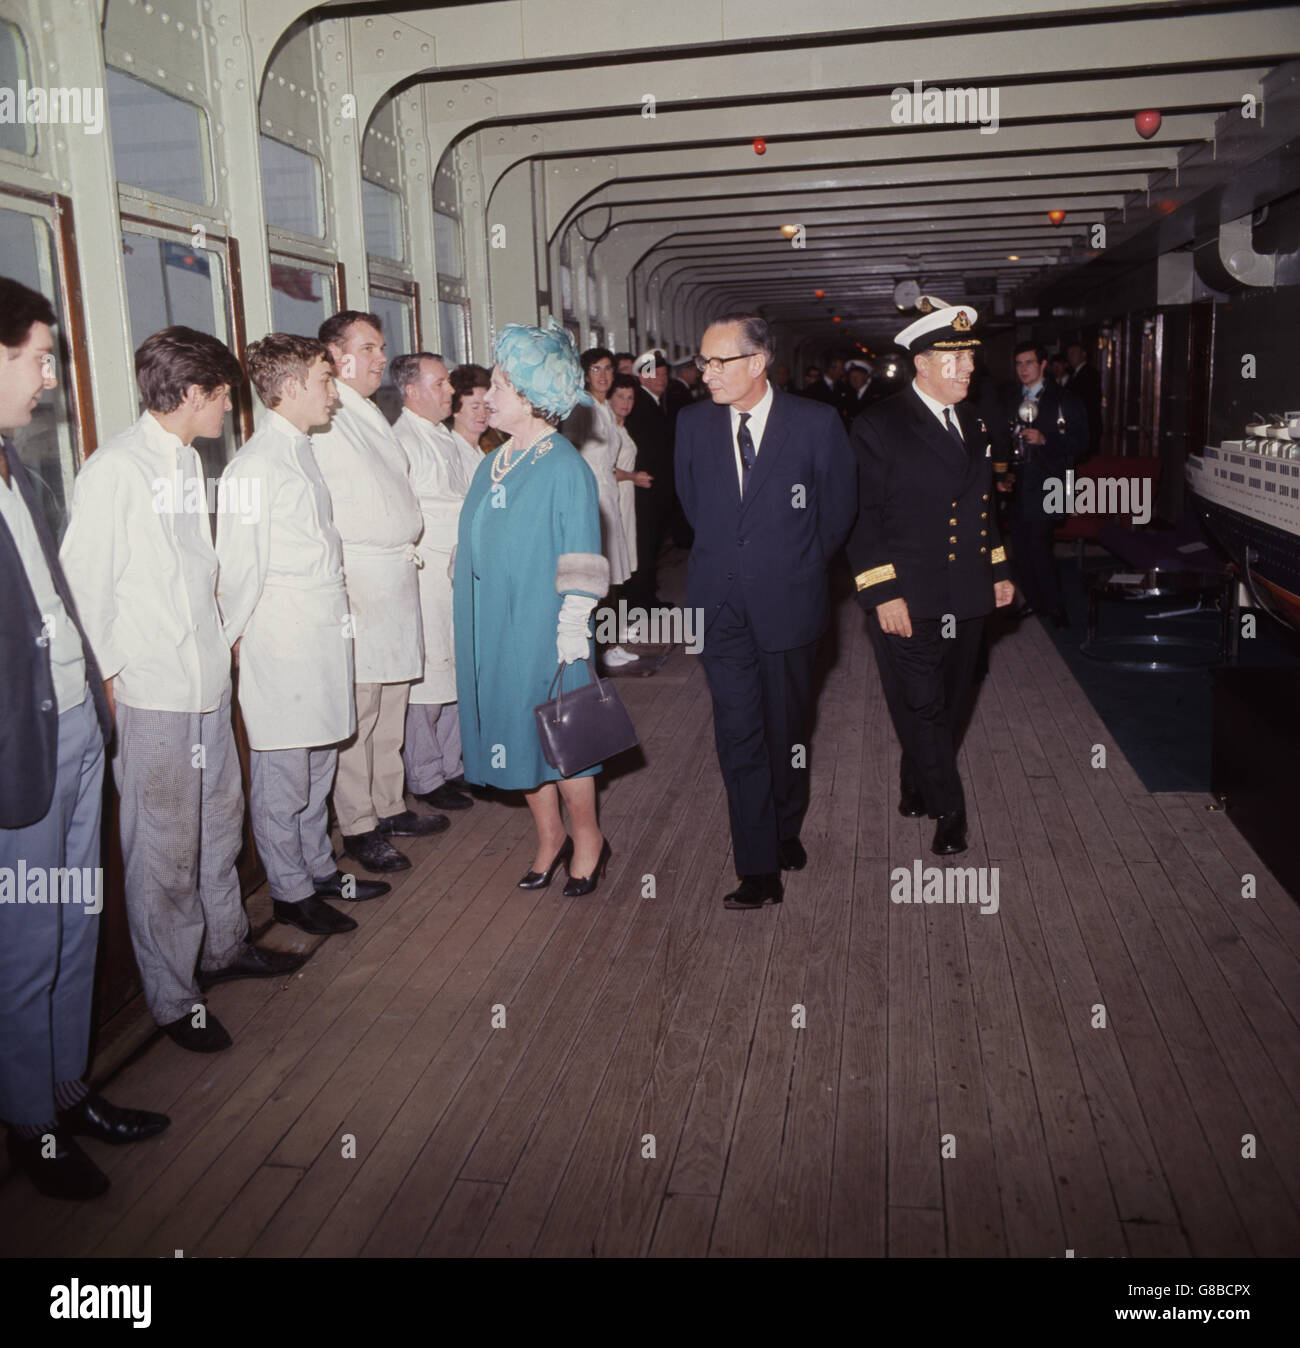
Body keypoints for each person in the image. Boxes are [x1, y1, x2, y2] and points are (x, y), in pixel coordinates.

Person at [60, 326, 306, 1054]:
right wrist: (109, 683)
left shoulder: (184, 463)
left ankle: (225, 947)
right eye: (223, 393)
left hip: (203, 682)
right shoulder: (115, 472)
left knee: (218, 826)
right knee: (163, 853)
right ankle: (174, 999)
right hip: (152, 694)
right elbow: (84, 590)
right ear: (193, 394)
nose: (230, 405)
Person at [0, 278, 169, 1200]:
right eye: (37, 358)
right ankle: (33, 1124)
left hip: (73, 733)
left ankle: (71, 1093)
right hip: (15, 763)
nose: (50, 381)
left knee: (73, 929)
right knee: (24, 948)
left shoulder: (14, 467)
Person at [676, 313, 856, 909]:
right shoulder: (693, 425)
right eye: (702, 361)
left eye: (717, 362)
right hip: (717, 605)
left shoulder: (816, 423)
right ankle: (757, 867)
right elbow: (696, 507)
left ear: (757, 363)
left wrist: (793, 566)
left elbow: (836, 515)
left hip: (790, 603)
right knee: (738, 734)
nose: (705, 374)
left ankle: (786, 826)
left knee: (788, 730)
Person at [216, 334, 384, 941]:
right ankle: (289, 892)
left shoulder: (300, 450)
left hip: (318, 637)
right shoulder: (254, 467)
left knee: (317, 766)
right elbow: (236, 572)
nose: (333, 392)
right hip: (283, 645)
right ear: (288, 389)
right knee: (285, 775)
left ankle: (318, 870)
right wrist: (228, 648)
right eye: (322, 379)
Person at [846, 297, 1015, 857]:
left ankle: (917, 778)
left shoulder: (974, 418)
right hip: (909, 594)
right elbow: (861, 517)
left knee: (952, 697)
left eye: (971, 357)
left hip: (965, 590)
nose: (968, 367)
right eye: (955, 358)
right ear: (921, 363)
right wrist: (882, 592)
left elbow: (982, 505)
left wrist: (998, 569)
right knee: (922, 703)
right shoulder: (879, 425)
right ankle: (950, 811)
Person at [453, 320, 613, 897]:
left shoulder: (563, 465)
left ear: (529, 396)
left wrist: (574, 624)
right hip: (495, 622)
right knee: (517, 732)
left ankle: (588, 838)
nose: (485, 395)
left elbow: (583, 555)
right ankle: (549, 838)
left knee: (565, 740)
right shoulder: (494, 461)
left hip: (547, 627)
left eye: (498, 385)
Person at [313, 311, 443, 874]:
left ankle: (389, 805)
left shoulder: (367, 411)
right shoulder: (325, 417)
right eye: (366, 348)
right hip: (361, 578)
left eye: (381, 348)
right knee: (362, 711)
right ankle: (359, 825)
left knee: (392, 702)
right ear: (334, 355)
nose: (378, 360)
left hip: (394, 576)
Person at [391, 351, 481, 812]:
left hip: (456, 571)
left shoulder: (444, 438)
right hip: (426, 572)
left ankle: (452, 762)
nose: (451, 391)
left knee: (455, 669)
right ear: (412, 391)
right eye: (441, 383)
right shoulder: (401, 440)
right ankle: (425, 774)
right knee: (427, 678)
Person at [1001, 342, 1087, 628]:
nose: (1023, 369)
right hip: (1018, 483)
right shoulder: (1011, 398)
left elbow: (1083, 442)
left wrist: (1046, 440)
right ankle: (1036, 602)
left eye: (1028, 363)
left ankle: (1055, 606)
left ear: (1043, 364)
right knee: (1021, 549)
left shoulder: (1065, 399)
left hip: (1050, 482)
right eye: (1018, 364)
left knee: (1039, 546)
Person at [563, 347, 637, 668]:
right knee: (597, 579)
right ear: (585, 374)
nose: (604, 376)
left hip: (608, 497)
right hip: (592, 498)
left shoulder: (604, 408)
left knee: (612, 579)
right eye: (596, 369)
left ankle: (610, 644)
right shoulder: (582, 409)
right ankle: (599, 648)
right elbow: (570, 457)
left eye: (608, 369)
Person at [623, 348, 674, 608]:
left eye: (665, 375)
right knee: (644, 544)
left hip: (652, 488)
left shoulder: (653, 402)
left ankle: (644, 595)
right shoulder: (642, 404)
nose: (662, 380)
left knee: (648, 544)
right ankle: (643, 600)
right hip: (644, 488)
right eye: (656, 375)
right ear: (642, 378)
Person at [610, 372, 650, 586]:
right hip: (613, 496)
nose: (626, 402)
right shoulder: (608, 430)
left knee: (622, 559)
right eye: (620, 396)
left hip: (625, 497)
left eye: (630, 397)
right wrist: (633, 477)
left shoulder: (623, 429)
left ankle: (616, 613)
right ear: (609, 398)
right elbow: (604, 470)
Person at [1062, 341, 1102, 458]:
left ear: (1083, 354)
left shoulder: (1089, 373)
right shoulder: (1073, 374)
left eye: (1074, 353)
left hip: (1088, 423)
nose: (1071, 357)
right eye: (1069, 354)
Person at [449, 362, 492, 455]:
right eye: (475, 407)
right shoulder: (451, 452)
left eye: (487, 407)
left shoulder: (485, 452)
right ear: (455, 409)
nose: (483, 414)